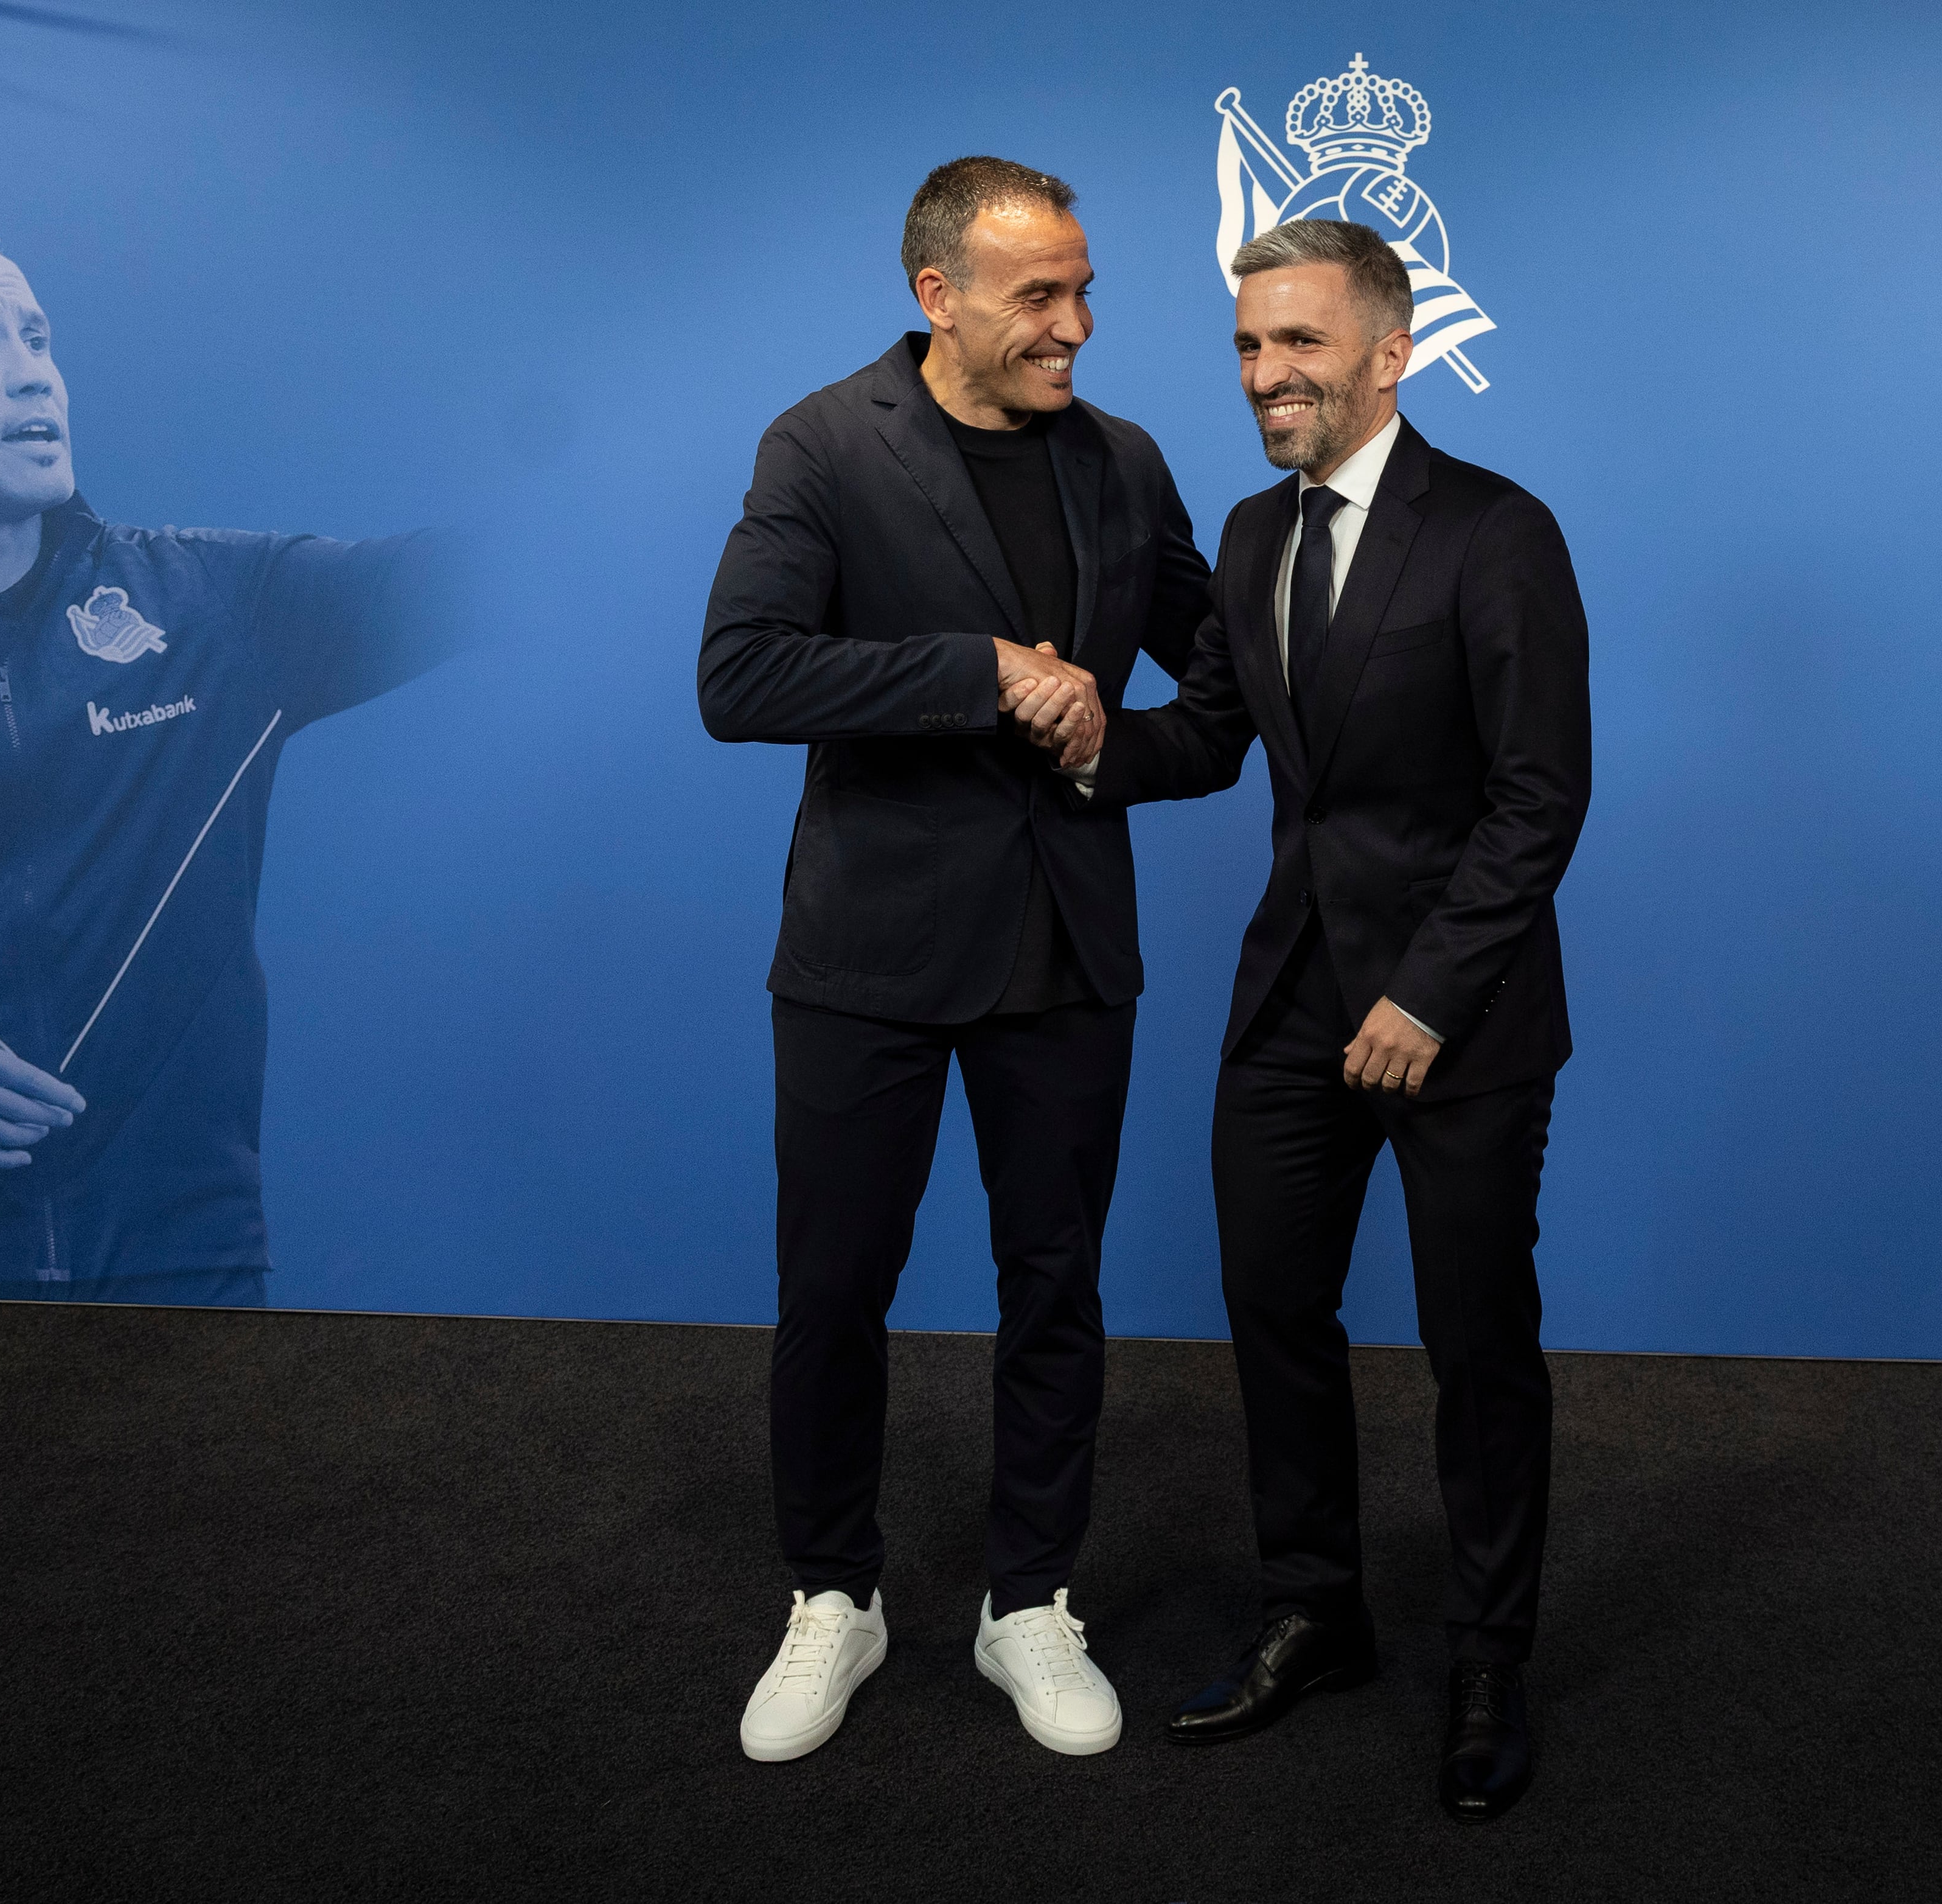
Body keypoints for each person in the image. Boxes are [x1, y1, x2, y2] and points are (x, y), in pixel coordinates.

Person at [696, 156, 1211, 1764]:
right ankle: (831, 1596)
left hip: (1067, 949)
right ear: (939, 297)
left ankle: (1030, 1600)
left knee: (1057, 1284)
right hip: (868, 950)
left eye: (1084, 290)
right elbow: (741, 673)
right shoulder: (825, 443)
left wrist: (1102, 748)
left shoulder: (1124, 463)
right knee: (832, 1286)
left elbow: (1223, 687)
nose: (1075, 325)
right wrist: (981, 670)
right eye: (1039, 297)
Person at [1082, 218, 1589, 1821]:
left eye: (1296, 344)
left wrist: (1428, 995)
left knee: (1475, 1345)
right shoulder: (1246, 535)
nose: (1263, 375)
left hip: (1459, 1018)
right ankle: (1320, 1611)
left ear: (1389, 350)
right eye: (1246, 346)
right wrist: (1088, 735)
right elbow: (1220, 737)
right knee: (1275, 1315)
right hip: (1293, 999)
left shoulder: (1499, 532)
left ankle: (1490, 1657)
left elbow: (1539, 797)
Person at [0, 215, 454, 1306]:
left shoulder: (209, 609)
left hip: (180, 1264)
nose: (29, 377)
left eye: (38, 337)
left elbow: (485, 573)